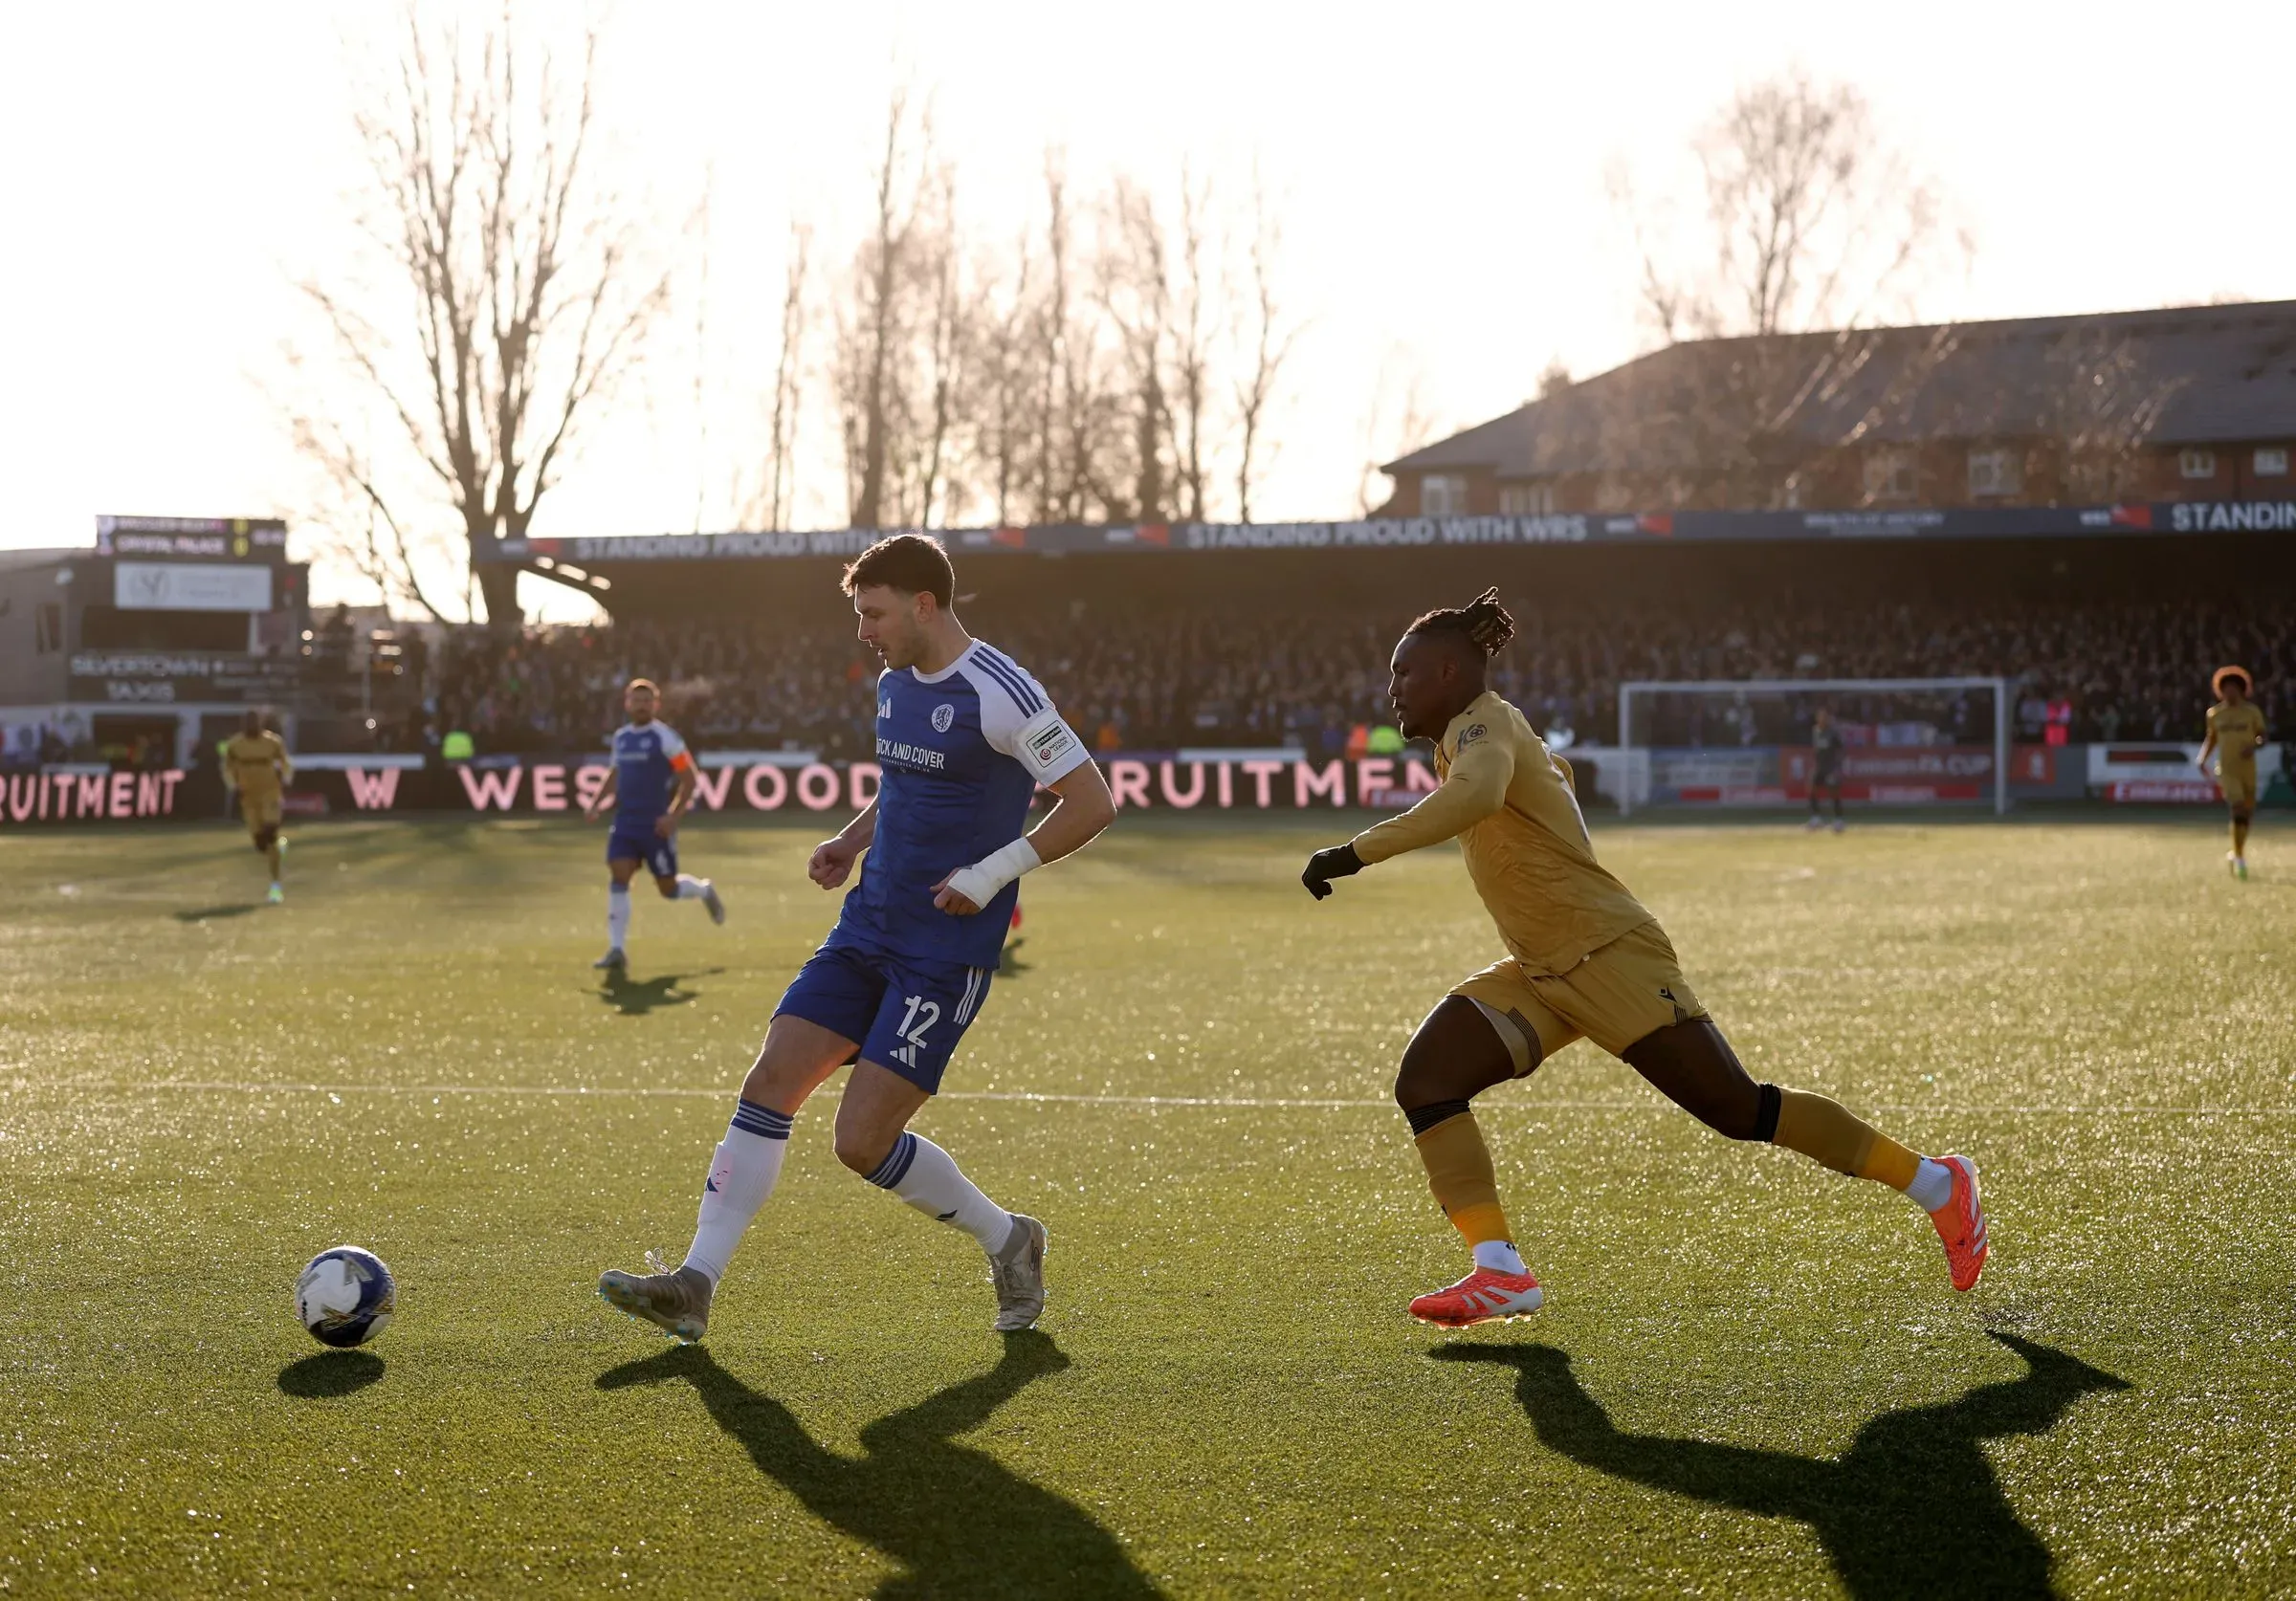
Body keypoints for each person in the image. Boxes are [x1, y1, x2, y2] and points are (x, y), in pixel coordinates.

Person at [1299, 589, 1986, 1328]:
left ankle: (1938, 1184)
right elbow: (1534, 780)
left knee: (1738, 1109)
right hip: (1544, 971)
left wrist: (1354, 852)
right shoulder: (1479, 733)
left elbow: (1477, 794)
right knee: (1428, 1080)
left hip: (1608, 957)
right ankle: (1499, 1270)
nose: (1391, 690)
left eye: (1402, 673)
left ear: (1444, 673)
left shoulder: (1484, 723)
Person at [599, 535, 1117, 1341]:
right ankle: (694, 1284)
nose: (863, 630)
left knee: (861, 1142)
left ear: (923, 603)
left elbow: (1092, 802)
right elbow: (905, 785)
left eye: (873, 613)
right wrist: (851, 841)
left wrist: (987, 876)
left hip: (945, 952)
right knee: (771, 1081)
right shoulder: (892, 685)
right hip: (865, 928)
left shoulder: (1003, 690)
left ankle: (1011, 1239)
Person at [582, 678, 725, 970]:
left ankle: (703, 890)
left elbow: (690, 778)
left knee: (668, 889)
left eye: (648, 700)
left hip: (654, 825)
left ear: (656, 704)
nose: (642, 705)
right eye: (637, 700)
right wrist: (596, 802)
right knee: (619, 875)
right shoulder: (621, 738)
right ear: (627, 704)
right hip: (625, 823)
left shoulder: (666, 738)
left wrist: (673, 816)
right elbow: (615, 773)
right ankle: (617, 950)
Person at [2197, 666, 2266, 880]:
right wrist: (2202, 759)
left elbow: (2262, 736)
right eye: (2225, 688)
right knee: (2237, 807)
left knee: (2247, 814)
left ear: (2242, 689)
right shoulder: (2215, 714)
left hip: (2248, 769)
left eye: (2234, 688)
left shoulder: (2252, 712)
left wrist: (2254, 746)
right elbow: (2212, 738)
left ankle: (2235, 852)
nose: (2230, 692)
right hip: (2227, 769)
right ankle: (2239, 857)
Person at [221, 710, 293, 904]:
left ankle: (276, 883)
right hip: (248, 796)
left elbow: (285, 761)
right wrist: (232, 785)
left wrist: (286, 777)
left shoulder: (273, 742)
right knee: (262, 844)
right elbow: (227, 767)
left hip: (270, 793)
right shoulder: (235, 745)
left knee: (270, 832)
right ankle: (279, 847)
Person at [1807, 706, 1845, 832]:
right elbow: (1816, 749)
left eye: (1824, 717)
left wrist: (1838, 766)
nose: (1822, 719)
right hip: (1819, 767)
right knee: (1811, 788)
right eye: (1820, 716)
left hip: (1831, 767)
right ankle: (1816, 818)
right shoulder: (1815, 731)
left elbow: (1841, 749)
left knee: (1833, 789)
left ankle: (1839, 819)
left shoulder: (1832, 733)